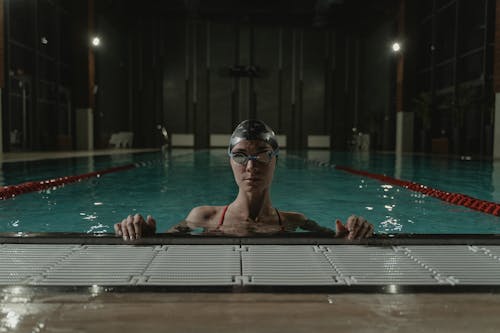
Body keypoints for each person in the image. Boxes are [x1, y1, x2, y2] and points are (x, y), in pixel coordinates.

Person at [115, 119, 374, 240]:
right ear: (229, 161)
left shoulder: (297, 221)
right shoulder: (202, 217)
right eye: (240, 156)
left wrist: (355, 232)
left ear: (275, 159)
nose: (250, 166)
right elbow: (166, 242)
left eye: (261, 155)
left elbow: (337, 239)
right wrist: (145, 236)